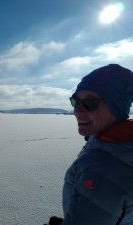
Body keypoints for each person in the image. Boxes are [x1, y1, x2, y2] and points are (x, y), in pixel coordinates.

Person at [44, 64, 133, 225]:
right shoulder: (120, 144)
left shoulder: (102, 170)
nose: (78, 110)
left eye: (90, 102)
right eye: (75, 101)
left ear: (117, 106)